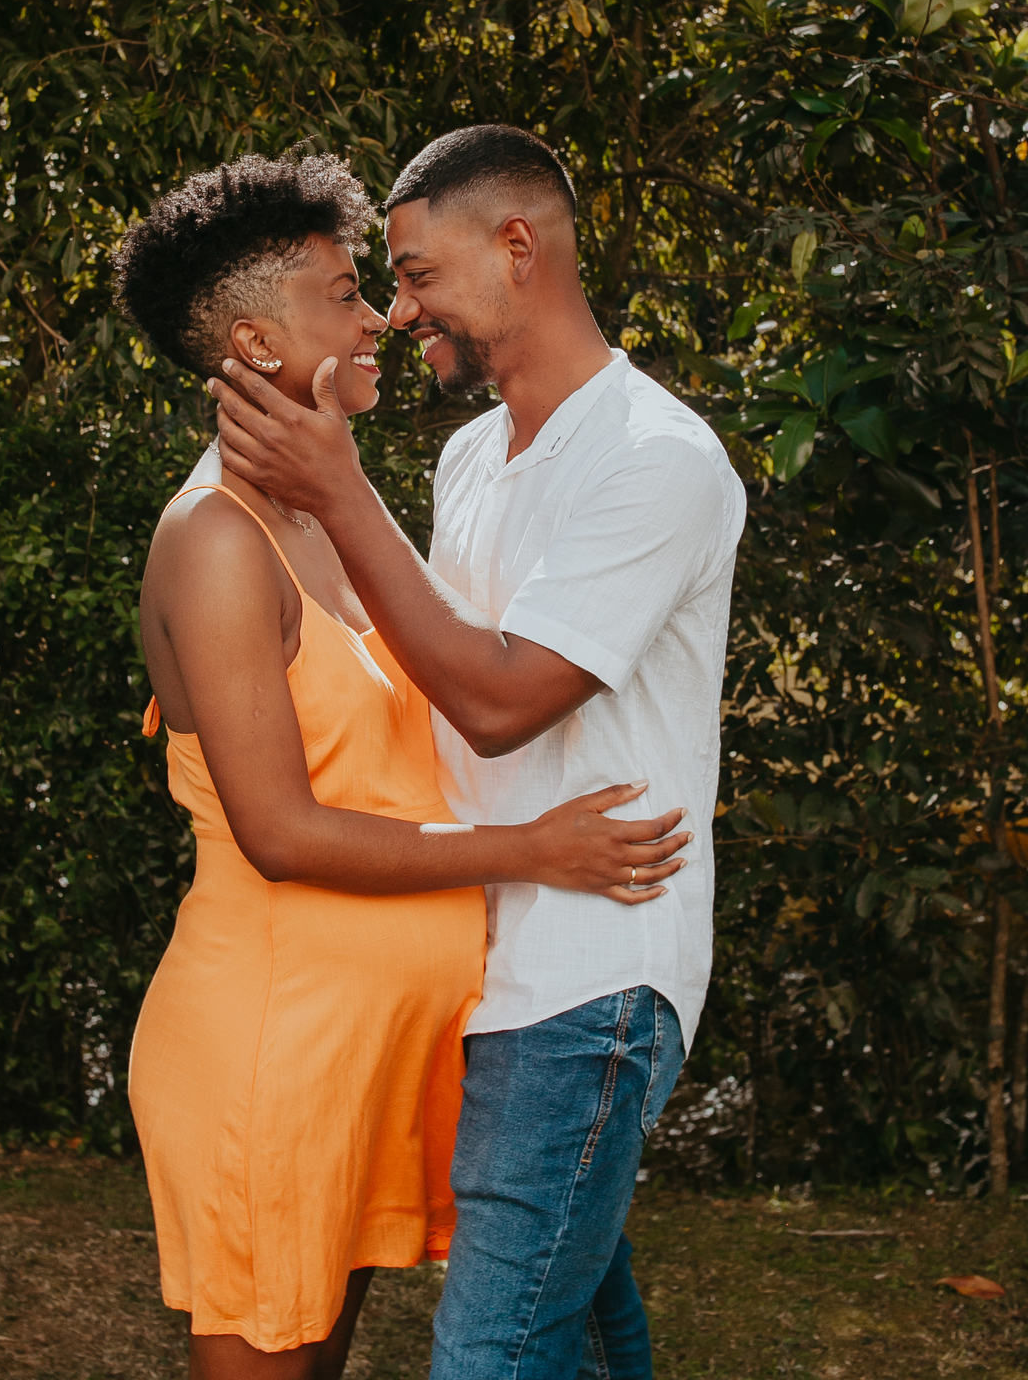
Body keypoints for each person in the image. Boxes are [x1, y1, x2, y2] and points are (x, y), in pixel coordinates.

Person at [114, 147, 691, 1380]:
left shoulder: (333, 513)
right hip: (272, 1045)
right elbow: (280, 828)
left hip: (367, 1057)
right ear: (259, 343)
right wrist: (534, 850)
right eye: (342, 293)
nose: (379, 313)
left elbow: (463, 694)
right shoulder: (216, 540)